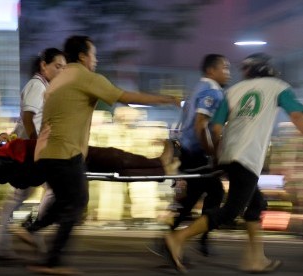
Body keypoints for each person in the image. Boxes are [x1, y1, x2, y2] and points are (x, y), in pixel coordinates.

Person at [17, 35, 180, 275]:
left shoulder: (60, 79)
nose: (96, 60)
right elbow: (124, 97)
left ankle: (32, 230)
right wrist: (164, 99)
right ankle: (51, 262)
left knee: (66, 201)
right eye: (94, 54)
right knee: (77, 203)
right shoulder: (84, 77)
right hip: (65, 152)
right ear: (83, 56)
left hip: (48, 153)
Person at [163, 53, 303, 274]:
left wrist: (219, 157)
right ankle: (178, 238)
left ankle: (255, 259)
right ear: (267, 69)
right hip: (248, 157)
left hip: (229, 155)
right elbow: (298, 117)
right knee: (229, 212)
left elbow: (217, 129)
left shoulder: (232, 91)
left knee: (255, 205)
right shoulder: (279, 86)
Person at [0, 48, 66, 258]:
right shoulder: (36, 85)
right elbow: (27, 117)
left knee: (24, 195)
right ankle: (30, 230)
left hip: (31, 148)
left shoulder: (43, 86)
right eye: (57, 66)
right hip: (32, 150)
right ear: (44, 66)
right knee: (51, 189)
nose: (61, 71)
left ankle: (4, 240)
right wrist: (35, 143)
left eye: (64, 67)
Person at [171, 54, 230, 256]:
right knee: (213, 192)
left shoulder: (197, 88)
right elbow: (200, 125)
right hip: (196, 153)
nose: (228, 73)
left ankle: (190, 238)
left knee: (199, 195)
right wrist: (212, 153)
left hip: (187, 152)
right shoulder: (212, 91)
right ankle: (187, 238)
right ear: (211, 70)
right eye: (225, 68)